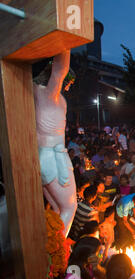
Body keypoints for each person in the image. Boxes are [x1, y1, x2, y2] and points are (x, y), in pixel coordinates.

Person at [33, 50, 77, 237]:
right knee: (69, 207)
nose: (67, 88)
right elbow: (60, 69)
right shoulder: (51, 95)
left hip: (39, 156)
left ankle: (45, 246)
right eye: (68, 83)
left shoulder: (31, 91)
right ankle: (57, 256)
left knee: (57, 209)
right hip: (54, 157)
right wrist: (65, 42)